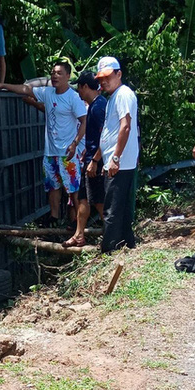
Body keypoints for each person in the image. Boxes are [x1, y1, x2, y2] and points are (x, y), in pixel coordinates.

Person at [0, 60, 86, 225]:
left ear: (67, 76)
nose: (54, 76)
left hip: (68, 153)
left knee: (73, 190)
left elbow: (84, 121)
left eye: (58, 73)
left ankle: (78, 224)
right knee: (52, 186)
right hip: (50, 151)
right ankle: (54, 218)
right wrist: (4, 85)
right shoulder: (48, 93)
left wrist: (75, 143)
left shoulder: (73, 98)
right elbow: (26, 89)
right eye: (53, 72)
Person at [87, 56, 139, 253]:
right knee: (120, 208)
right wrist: (97, 160)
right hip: (114, 161)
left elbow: (125, 127)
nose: (104, 82)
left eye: (108, 77)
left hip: (120, 162)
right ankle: (127, 244)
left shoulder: (124, 94)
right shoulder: (112, 98)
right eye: (101, 79)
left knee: (111, 210)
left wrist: (115, 158)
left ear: (119, 74)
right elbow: (108, 134)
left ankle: (109, 250)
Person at [63, 71, 107, 247]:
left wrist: (95, 160)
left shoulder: (98, 107)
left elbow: (106, 137)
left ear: (85, 87)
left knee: (98, 201)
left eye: (79, 88)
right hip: (89, 158)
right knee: (84, 198)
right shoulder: (95, 105)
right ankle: (79, 235)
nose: (78, 93)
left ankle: (113, 234)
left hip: (95, 162)